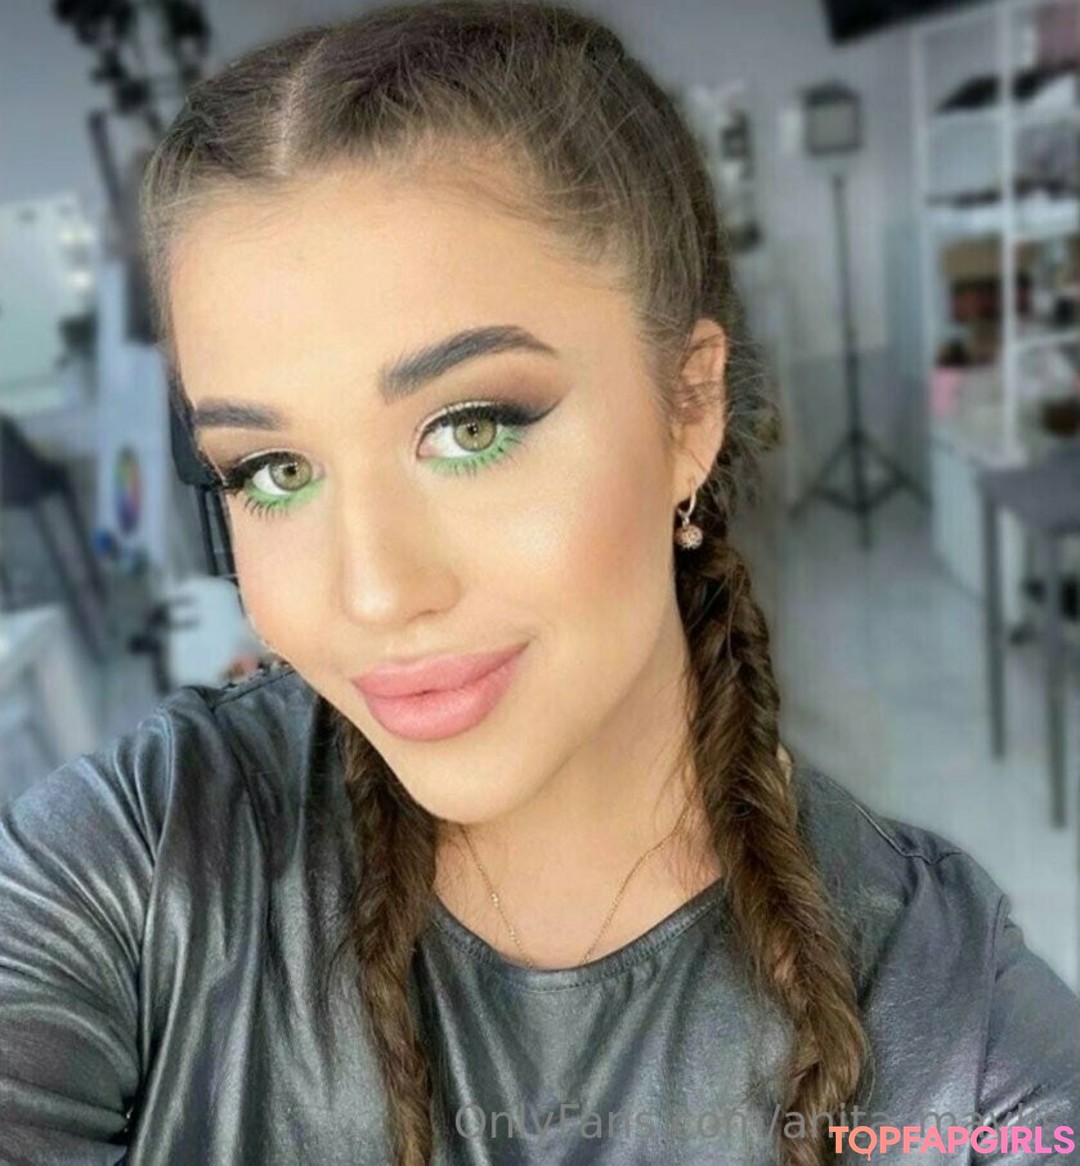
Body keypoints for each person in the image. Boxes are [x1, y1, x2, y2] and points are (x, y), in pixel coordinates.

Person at [0, 4, 1077, 1164]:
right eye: (274, 469)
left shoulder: (956, 1029)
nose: (375, 591)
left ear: (689, 406)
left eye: (470, 428)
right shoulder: (139, 858)